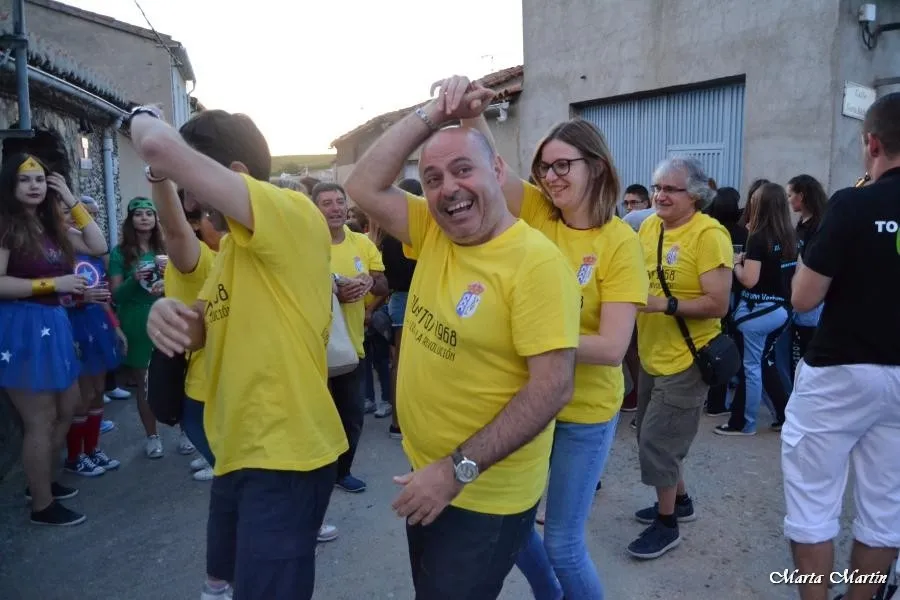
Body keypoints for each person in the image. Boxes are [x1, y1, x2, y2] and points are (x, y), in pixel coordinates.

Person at [345, 79, 580, 599]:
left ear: (498, 172)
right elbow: (362, 185)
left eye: (462, 169)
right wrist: (432, 112)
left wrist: (457, 470)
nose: (447, 187)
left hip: (480, 492)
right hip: (431, 475)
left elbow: (552, 388)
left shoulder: (536, 264)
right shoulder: (433, 230)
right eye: (431, 178)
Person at [134, 106, 347, 600]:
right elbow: (201, 330)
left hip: (286, 455)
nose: (190, 200)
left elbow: (155, 145)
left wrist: (144, 116)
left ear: (234, 177)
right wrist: (167, 315)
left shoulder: (290, 214)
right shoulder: (233, 249)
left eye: (192, 183)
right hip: (240, 447)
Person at [783, 93, 900, 600]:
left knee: (812, 504)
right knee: (885, 507)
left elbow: (804, 298)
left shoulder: (853, 202)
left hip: (840, 371)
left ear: (871, 143)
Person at [630, 156, 732, 559]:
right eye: (657, 187)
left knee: (656, 440)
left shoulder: (710, 235)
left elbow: (718, 304)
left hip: (689, 358)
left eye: (670, 189)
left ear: (695, 195)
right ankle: (681, 501)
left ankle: (667, 524)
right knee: (653, 436)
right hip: (651, 352)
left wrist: (664, 305)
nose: (660, 195)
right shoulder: (649, 226)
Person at [0, 154, 108, 525]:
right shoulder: (6, 226)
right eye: (24, 180)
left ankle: (41, 480)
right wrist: (52, 284)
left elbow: (98, 245)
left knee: (68, 407)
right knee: (40, 419)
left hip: (54, 324)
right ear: (10, 187)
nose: (34, 186)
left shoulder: (51, 226)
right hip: (23, 327)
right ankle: (41, 505)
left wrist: (71, 200)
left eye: (40, 180)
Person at [714, 183, 796, 435]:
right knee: (764, 362)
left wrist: (736, 263)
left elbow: (749, 279)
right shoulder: (790, 236)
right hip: (781, 309)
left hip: (757, 310)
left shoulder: (759, 237)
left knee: (751, 367)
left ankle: (744, 423)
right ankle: (783, 415)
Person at [381, 178, 422, 440]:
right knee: (414, 364)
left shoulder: (388, 233)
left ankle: (398, 423)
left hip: (397, 299)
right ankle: (405, 422)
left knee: (398, 364)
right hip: (416, 298)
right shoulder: (416, 231)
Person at [785, 174, 827, 379]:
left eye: (790, 195)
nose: (788, 200)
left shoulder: (819, 225)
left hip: (812, 299)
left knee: (807, 345)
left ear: (801, 196)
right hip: (798, 292)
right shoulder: (801, 223)